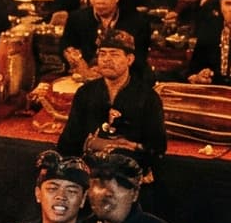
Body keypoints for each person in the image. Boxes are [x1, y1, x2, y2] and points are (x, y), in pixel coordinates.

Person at [57, 31, 168, 167]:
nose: (106, 59)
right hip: (88, 169)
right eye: (102, 54)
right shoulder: (86, 92)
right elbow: (69, 140)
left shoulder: (147, 97)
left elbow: (157, 148)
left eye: (114, 54)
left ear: (129, 59)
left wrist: (130, 146)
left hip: (129, 173)